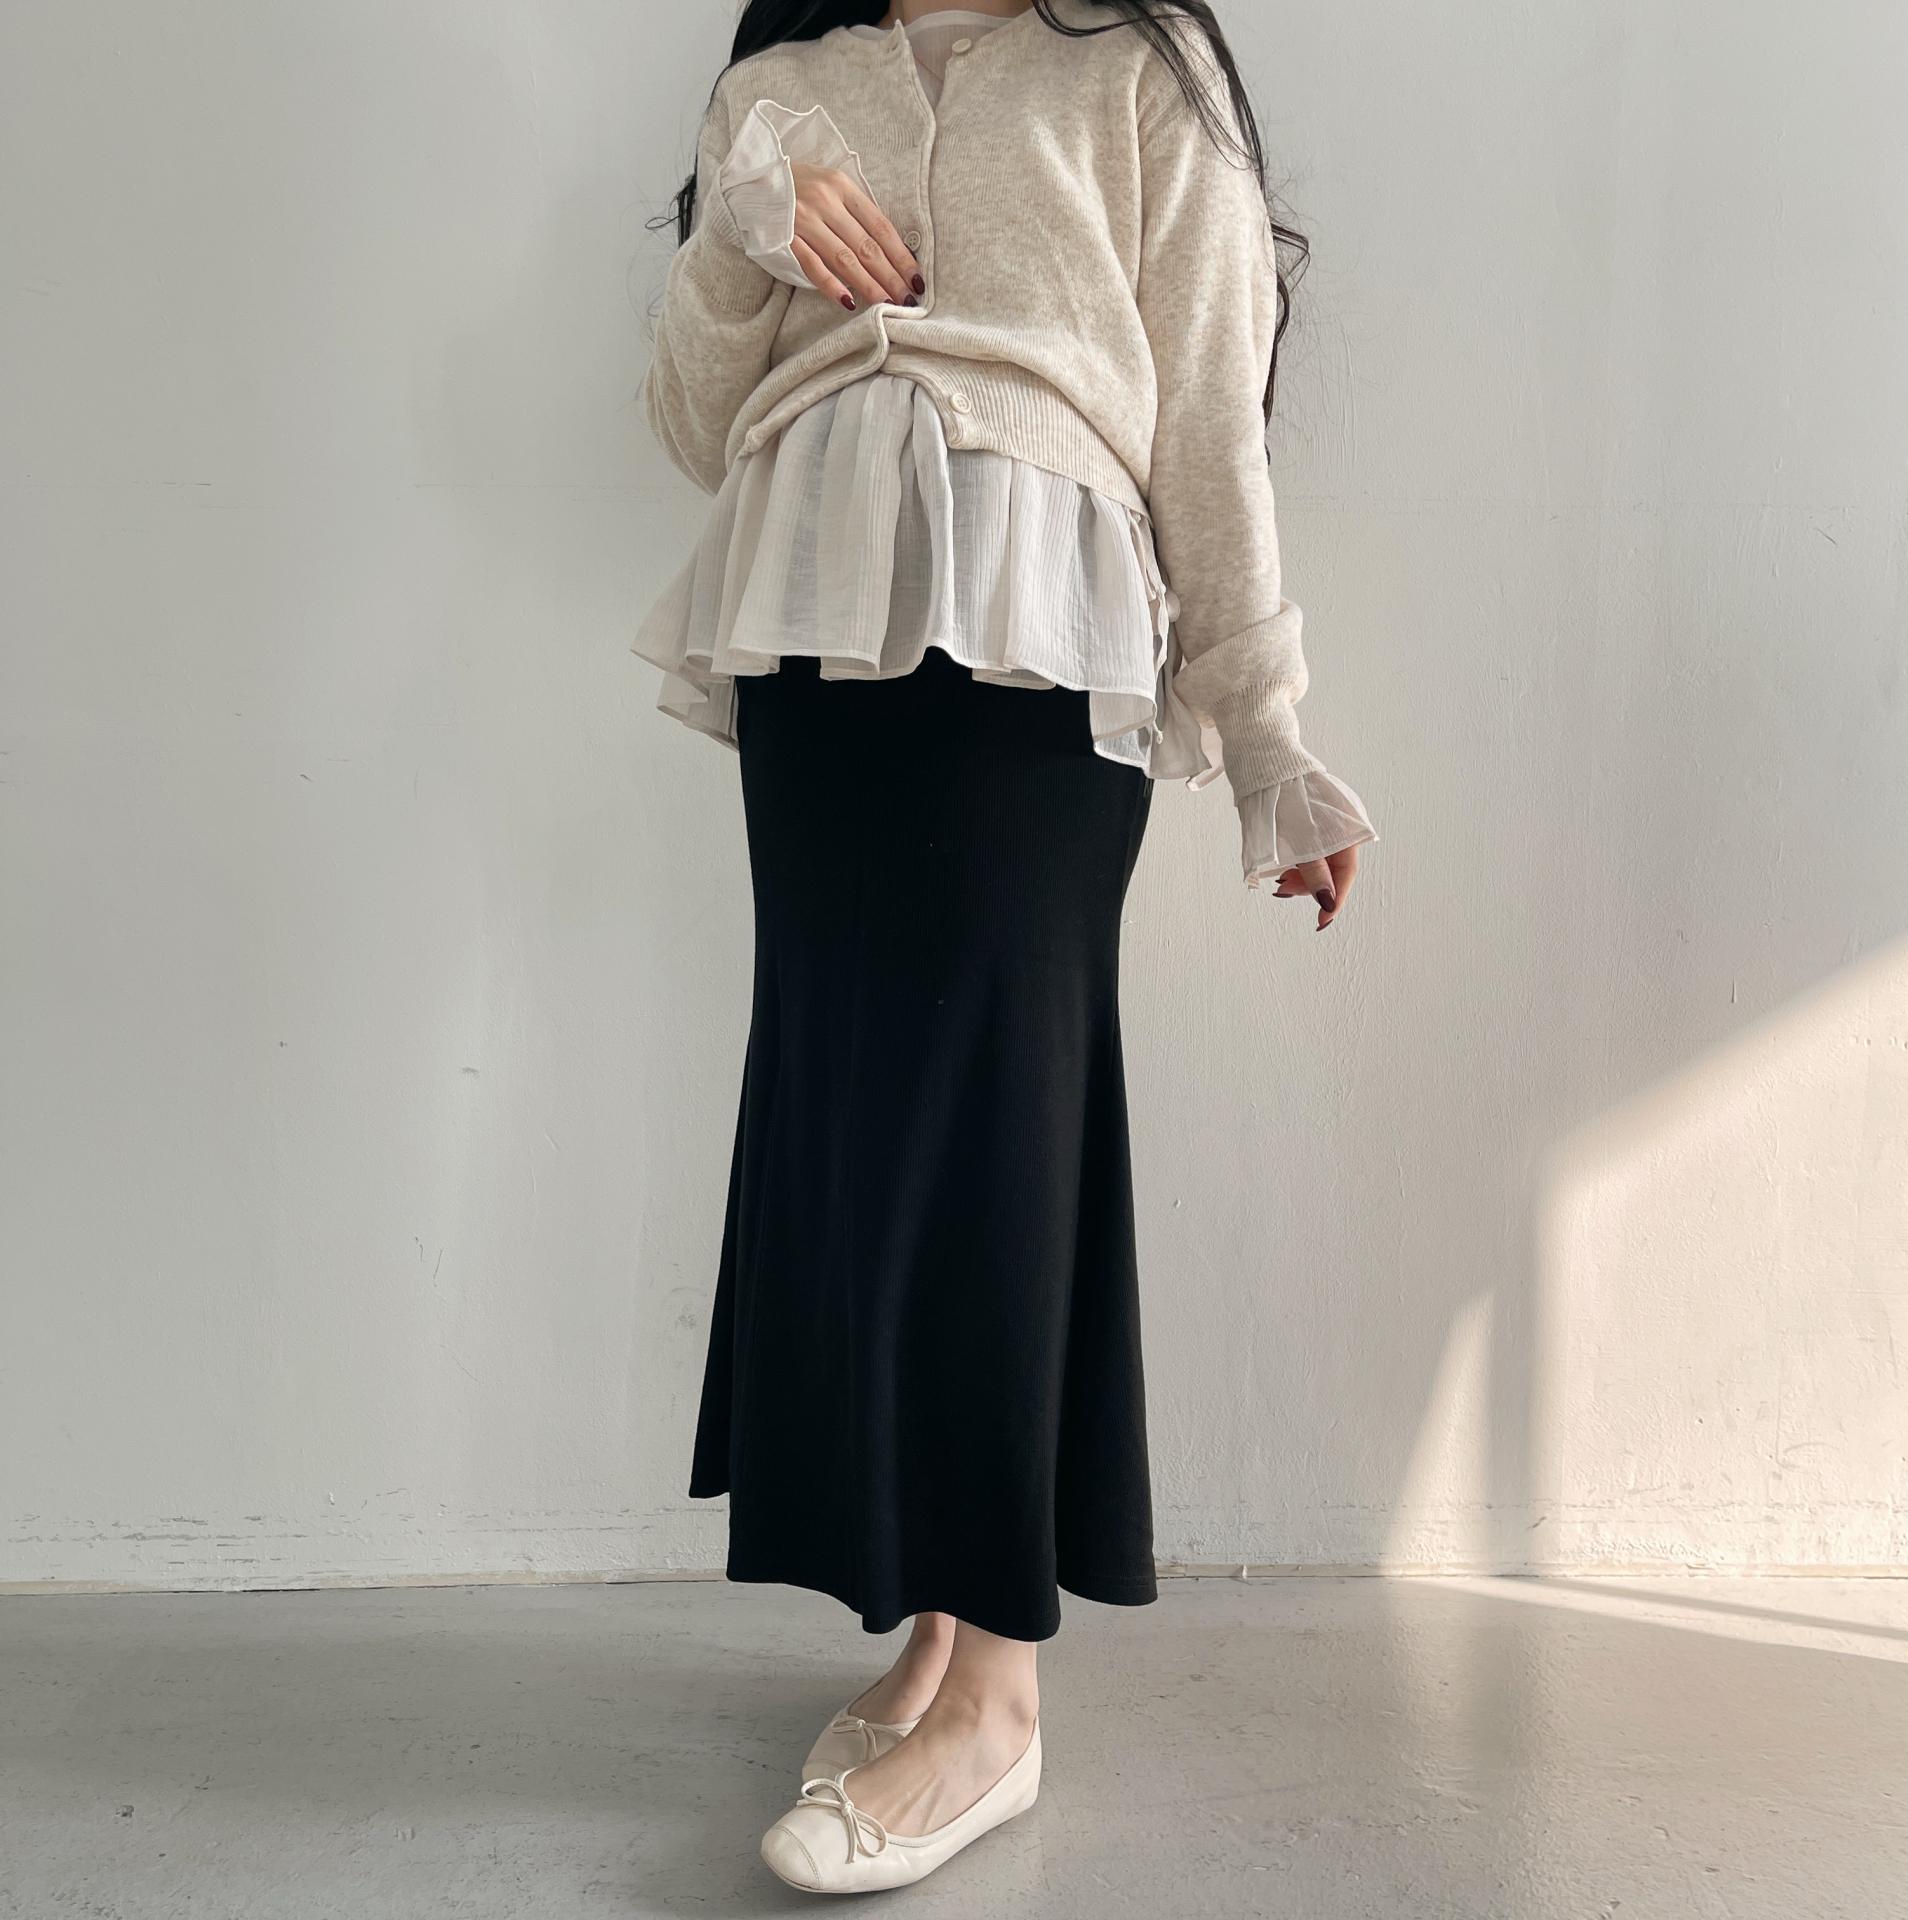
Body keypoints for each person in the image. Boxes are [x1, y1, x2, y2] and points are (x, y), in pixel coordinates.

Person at [634, 0, 1376, 1892]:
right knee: (855, 1131)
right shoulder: (778, 91)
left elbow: (1204, 417)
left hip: (1043, 631)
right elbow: (696, 421)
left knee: (1001, 1128)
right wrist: (748, 223)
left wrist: (1267, 737)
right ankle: (933, 1637)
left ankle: (999, 1701)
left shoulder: (1135, 75)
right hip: (813, 631)